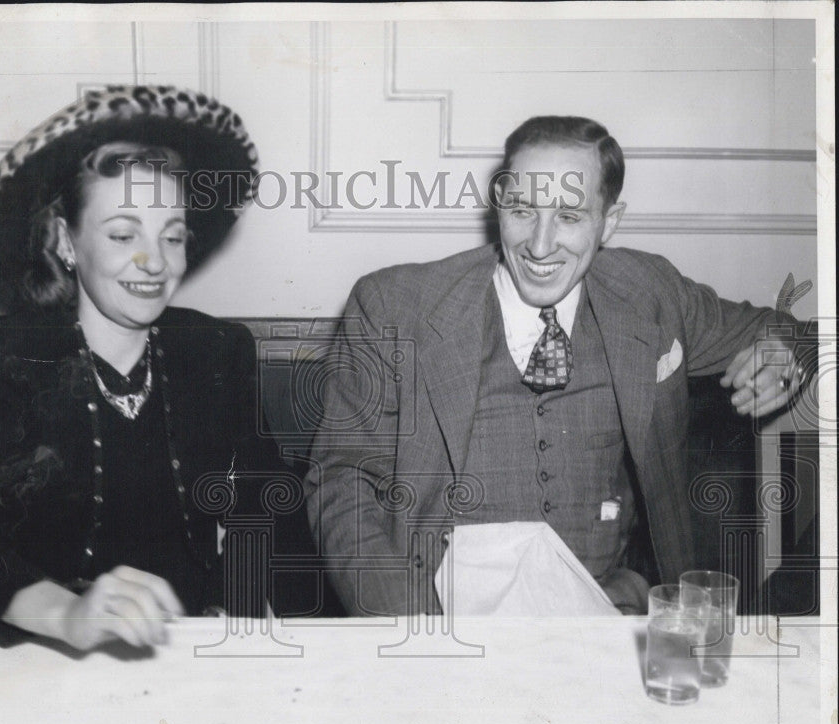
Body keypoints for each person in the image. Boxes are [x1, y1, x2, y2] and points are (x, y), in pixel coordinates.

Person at [306, 116, 810, 617]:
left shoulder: (651, 294)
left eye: (569, 217)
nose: (540, 245)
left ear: (609, 221)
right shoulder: (395, 307)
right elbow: (340, 481)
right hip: (442, 617)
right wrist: (412, 630)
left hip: (604, 619)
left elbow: (775, 328)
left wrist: (784, 348)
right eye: (523, 211)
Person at [0, 85, 330, 651]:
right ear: (65, 241)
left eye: (172, 236)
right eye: (124, 234)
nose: (155, 263)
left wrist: (252, 615)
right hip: (49, 658)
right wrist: (69, 615)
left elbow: (270, 509)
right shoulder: (3, 361)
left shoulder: (216, 350)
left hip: (190, 654)